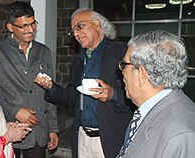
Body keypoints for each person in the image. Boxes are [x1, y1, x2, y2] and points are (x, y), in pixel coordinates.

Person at [34, 8, 135, 158]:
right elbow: (71, 99)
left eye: (79, 26)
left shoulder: (121, 52)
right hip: (82, 138)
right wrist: (50, 87)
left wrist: (113, 94)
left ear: (96, 24)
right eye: (73, 31)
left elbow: (140, 93)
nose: (75, 34)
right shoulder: (79, 62)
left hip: (110, 139)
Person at [0, 1, 59, 158]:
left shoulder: (44, 52)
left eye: (33, 24)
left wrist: (53, 129)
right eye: (24, 26)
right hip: (9, 131)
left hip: (38, 133)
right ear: (10, 27)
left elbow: (50, 93)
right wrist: (15, 111)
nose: (31, 30)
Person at [117, 30, 195, 158]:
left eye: (124, 65)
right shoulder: (156, 107)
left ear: (141, 73)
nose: (122, 72)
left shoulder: (180, 135)